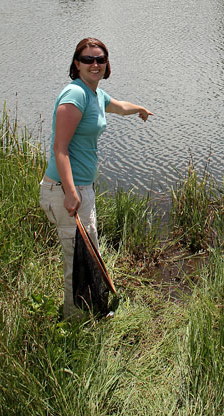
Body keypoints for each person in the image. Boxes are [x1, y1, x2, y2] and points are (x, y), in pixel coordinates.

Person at [39, 37, 152, 318]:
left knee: (88, 252)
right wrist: (70, 192)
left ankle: (90, 310)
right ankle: (75, 321)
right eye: (88, 59)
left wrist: (139, 109)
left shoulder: (95, 94)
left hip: (80, 188)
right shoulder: (75, 95)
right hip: (65, 189)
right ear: (76, 64)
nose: (95, 64)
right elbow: (60, 148)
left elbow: (118, 106)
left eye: (100, 59)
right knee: (76, 259)